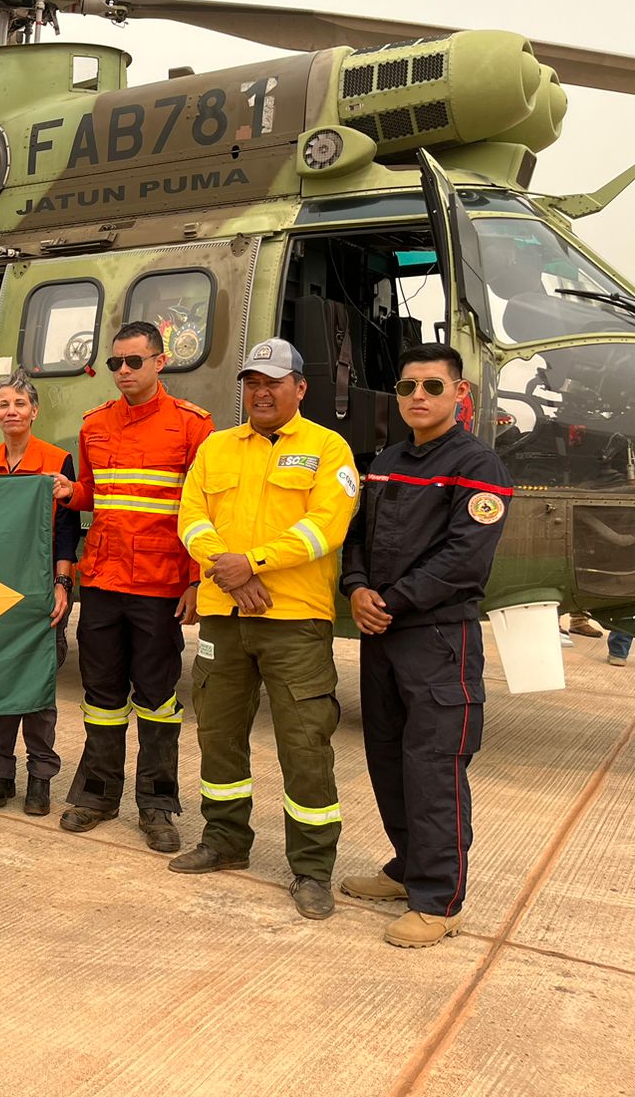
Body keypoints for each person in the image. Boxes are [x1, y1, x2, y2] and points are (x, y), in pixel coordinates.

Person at [173, 337, 359, 920]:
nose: (261, 392)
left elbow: (325, 526)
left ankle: (311, 869)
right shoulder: (217, 447)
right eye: (252, 382)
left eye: (273, 382)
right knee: (217, 734)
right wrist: (229, 574)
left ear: (299, 388)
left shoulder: (329, 449)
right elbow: (191, 516)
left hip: (295, 621)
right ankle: (225, 842)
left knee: (305, 744)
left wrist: (251, 564)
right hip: (225, 618)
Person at [340, 344, 513, 947]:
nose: (418, 397)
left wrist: (392, 601)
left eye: (433, 387)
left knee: (434, 768)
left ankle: (439, 901)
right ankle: (408, 868)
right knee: (388, 759)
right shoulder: (385, 460)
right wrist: (357, 587)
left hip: (438, 639)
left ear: (459, 395)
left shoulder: (478, 466)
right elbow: (356, 537)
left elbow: (465, 560)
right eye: (408, 386)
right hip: (382, 633)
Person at [52, 322, 212, 851]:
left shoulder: (193, 427)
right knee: (100, 697)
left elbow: (201, 510)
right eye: (116, 362)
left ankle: (158, 806)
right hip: (102, 579)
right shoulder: (94, 425)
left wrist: (195, 580)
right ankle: (96, 795)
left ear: (160, 362)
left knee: (159, 699)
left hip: (160, 584)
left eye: (134, 362)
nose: (123, 371)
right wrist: (68, 490)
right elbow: (94, 495)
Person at [0, 371, 79, 817]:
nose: (11, 412)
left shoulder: (58, 460)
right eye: (4, 404)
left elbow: (66, 529)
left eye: (20, 404)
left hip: (43, 587)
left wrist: (62, 584)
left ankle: (41, 777)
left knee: (37, 683)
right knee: (1, 679)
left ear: (34, 411)